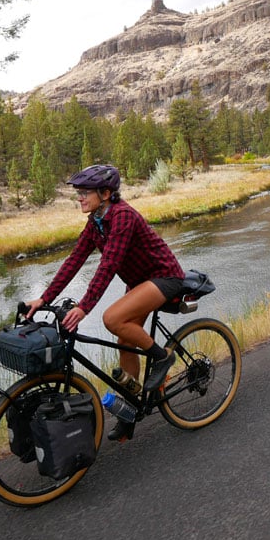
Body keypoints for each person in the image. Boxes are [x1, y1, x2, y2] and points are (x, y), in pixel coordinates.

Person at [22, 164, 183, 442]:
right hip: (139, 283)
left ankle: (163, 357)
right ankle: (130, 413)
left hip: (164, 278)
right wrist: (45, 298)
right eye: (79, 193)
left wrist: (84, 306)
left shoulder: (122, 217)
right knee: (125, 340)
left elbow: (108, 266)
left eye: (85, 192)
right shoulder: (96, 221)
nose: (80, 197)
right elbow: (75, 260)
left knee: (112, 320)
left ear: (106, 193)